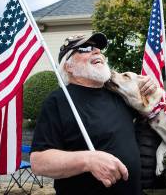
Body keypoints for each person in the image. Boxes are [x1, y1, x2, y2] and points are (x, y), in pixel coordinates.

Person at [30, 32, 157, 195]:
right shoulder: (58, 101)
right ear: (68, 66)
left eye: (97, 48)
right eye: (85, 48)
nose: (96, 51)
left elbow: (155, 115)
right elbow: (39, 162)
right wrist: (87, 160)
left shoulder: (119, 94)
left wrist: (151, 89)